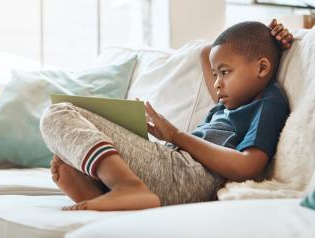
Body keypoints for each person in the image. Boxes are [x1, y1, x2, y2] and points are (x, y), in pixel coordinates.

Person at [39, 19, 293, 211]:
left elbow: (246, 167)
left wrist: (175, 135)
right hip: (174, 171)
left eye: (224, 73)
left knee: (57, 114)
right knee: (67, 162)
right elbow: (207, 52)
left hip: (187, 173)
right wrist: (269, 37)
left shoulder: (267, 101)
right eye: (215, 75)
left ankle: (128, 187)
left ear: (262, 67)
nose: (216, 84)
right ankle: (111, 199)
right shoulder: (228, 104)